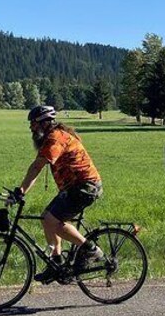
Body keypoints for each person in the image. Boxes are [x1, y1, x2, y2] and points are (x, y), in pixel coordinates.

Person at [12, 105, 104, 283]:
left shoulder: (56, 138)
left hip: (85, 187)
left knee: (51, 221)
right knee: (46, 218)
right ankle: (56, 262)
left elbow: (37, 166)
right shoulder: (53, 137)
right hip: (74, 188)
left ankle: (90, 249)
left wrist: (21, 191)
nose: (31, 128)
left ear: (44, 123)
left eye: (33, 123)